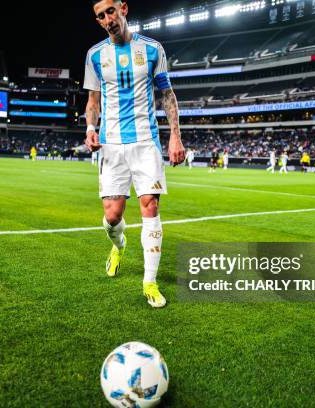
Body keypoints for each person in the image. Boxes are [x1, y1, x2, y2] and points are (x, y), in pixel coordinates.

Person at [84, 0, 185, 308]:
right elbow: (93, 100)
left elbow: (167, 95)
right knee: (112, 216)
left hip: (146, 141)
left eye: (110, 12)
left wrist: (175, 137)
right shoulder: (95, 55)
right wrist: (90, 127)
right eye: (100, 16)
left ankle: (149, 282)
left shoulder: (153, 49)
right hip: (111, 143)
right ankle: (119, 244)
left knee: (150, 207)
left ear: (123, 9)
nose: (106, 19)